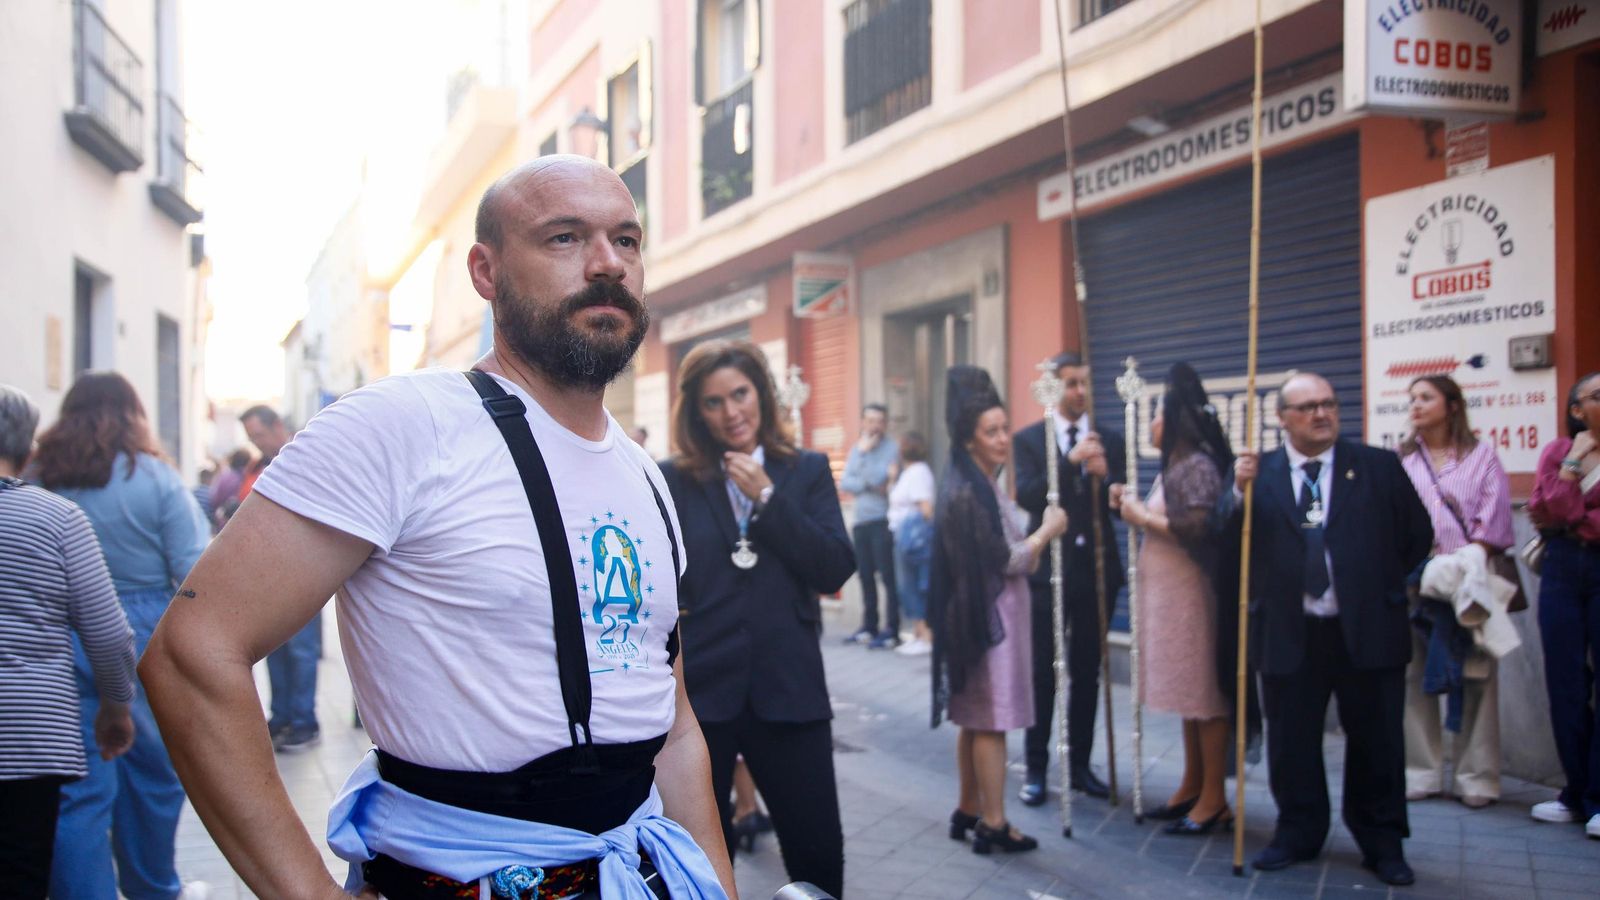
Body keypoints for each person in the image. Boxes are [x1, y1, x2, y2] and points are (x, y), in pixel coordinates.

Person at [138, 156, 735, 899]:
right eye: (564, 238)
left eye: (627, 240)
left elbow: (673, 727)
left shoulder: (644, 474)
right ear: (486, 272)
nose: (608, 263)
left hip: (641, 873)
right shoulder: (402, 424)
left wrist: (717, 887)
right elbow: (193, 654)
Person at [659, 339, 854, 897]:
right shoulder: (674, 479)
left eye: (740, 394)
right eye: (714, 401)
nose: (731, 412)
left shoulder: (805, 470)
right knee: (698, 866)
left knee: (817, 855)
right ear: (697, 412)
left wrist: (768, 499)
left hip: (789, 690)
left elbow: (834, 566)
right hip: (702, 701)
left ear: (762, 395)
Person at [1232, 373, 1432, 886]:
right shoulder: (1259, 473)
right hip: (1290, 629)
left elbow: (1416, 534)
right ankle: (1298, 832)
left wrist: (1374, 582)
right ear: (1282, 418)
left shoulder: (1377, 466)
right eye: (1307, 407)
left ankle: (1381, 840)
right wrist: (1236, 493)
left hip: (1366, 626)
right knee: (1292, 740)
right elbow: (1229, 545)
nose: (1321, 414)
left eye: (1329, 403)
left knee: (1378, 740)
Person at [31, 373, 211, 900]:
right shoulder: (155, 478)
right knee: (153, 775)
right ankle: (153, 888)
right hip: (142, 633)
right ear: (134, 414)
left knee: (77, 786)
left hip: (60, 631)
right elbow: (196, 569)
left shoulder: (40, 476)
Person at [0, 384, 136, 899]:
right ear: (27, 449)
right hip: (30, 737)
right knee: (20, 874)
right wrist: (116, 709)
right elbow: (108, 634)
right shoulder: (56, 519)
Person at [930, 365, 1068, 856]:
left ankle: (968, 808)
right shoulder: (969, 490)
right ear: (970, 439)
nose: (1003, 439)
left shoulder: (978, 483)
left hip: (983, 617)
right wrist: (1047, 531)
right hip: (992, 623)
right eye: (992, 432)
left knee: (974, 717)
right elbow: (1006, 558)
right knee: (990, 720)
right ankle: (993, 821)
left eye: (1005, 428)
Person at [1113, 363, 1235, 835]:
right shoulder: (1176, 466)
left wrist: (1142, 517)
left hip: (1193, 598)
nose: (1151, 424)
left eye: (1157, 415)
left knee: (1205, 695)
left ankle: (1214, 799)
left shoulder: (1196, 466)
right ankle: (1192, 785)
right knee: (1189, 694)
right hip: (1172, 598)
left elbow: (1199, 529)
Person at [1396, 375, 1515, 809]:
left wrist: (1466, 560)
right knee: (1413, 676)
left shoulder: (1481, 456)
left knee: (1477, 675)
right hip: (1415, 580)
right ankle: (1420, 772)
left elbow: (1496, 519)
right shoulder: (1402, 459)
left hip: (1469, 580)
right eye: (1412, 398)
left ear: (1451, 405)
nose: (1416, 405)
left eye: (1426, 398)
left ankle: (1477, 778)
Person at [1014, 351, 1123, 804]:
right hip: (1048, 573)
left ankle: (1080, 765)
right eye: (1072, 383)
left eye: (1085, 382)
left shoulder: (1108, 439)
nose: (1080, 391)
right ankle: (1036, 767)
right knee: (1043, 671)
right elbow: (1027, 494)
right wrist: (1068, 460)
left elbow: (1120, 499)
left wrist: (1107, 477)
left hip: (1097, 570)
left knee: (1087, 670)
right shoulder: (1029, 439)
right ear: (1055, 388)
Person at [1527, 371, 1600, 837]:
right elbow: (1546, 510)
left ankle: (1598, 799)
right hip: (1561, 569)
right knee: (1565, 682)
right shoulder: (1558, 450)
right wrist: (1574, 462)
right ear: (1578, 409)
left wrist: (1573, 517)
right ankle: (1576, 793)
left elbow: (1565, 514)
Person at [238, 404, 322, 753]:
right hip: (264, 573)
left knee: (301, 651)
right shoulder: (257, 466)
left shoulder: (304, 456)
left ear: (276, 427)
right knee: (274, 649)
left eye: (258, 435)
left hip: (301, 571)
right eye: (251, 438)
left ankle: (304, 721)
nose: (256, 443)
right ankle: (282, 716)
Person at [839, 403, 901, 649]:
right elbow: (846, 483)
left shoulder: (892, 449)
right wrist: (867, 479)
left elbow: (879, 478)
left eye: (880, 421)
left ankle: (892, 629)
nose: (875, 425)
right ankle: (869, 626)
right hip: (860, 520)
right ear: (863, 422)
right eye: (871, 420)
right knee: (865, 576)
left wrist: (864, 461)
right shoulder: (857, 448)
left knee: (887, 577)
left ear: (885, 424)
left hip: (881, 520)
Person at [889, 430, 936, 656]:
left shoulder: (917, 473)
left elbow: (926, 509)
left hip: (913, 542)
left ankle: (926, 636)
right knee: (908, 587)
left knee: (914, 586)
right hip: (905, 538)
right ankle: (918, 634)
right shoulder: (908, 473)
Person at [208, 447, 250, 530]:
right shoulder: (247, 478)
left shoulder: (225, 476)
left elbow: (214, 499)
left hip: (223, 520)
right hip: (241, 521)